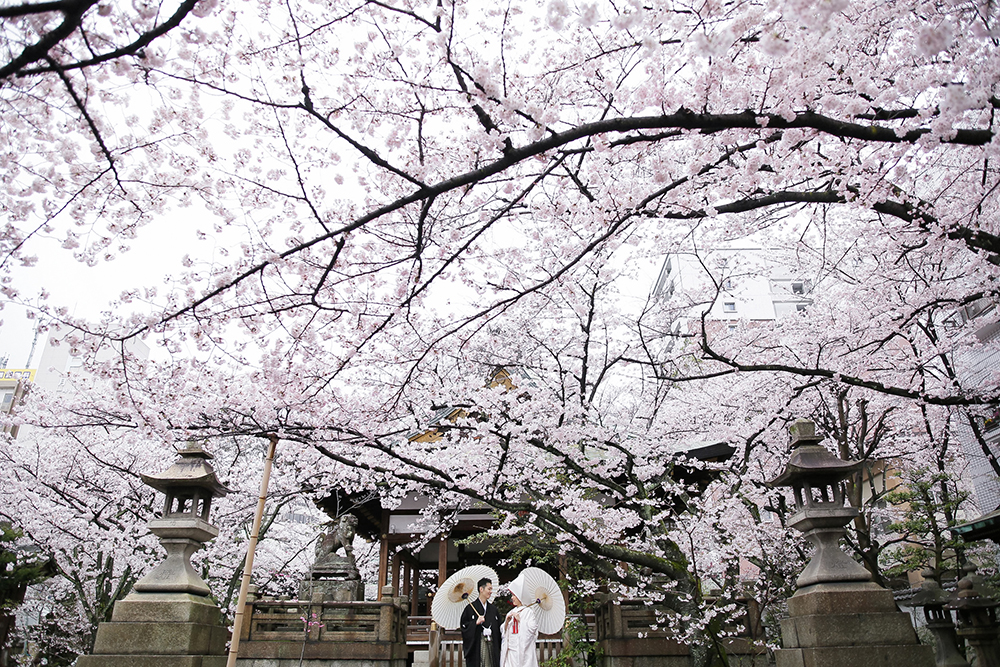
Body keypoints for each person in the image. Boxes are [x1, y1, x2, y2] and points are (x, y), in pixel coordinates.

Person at [460, 577, 502, 667]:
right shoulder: (470, 608)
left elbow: (499, 627)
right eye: (489, 589)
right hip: (478, 645)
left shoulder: (493, 609)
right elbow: (464, 627)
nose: (491, 591)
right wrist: (475, 623)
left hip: (491, 643)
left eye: (491, 589)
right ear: (481, 589)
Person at [500, 572, 539, 667]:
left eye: (514, 595)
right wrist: (506, 623)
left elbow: (533, 630)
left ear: (520, 596)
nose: (512, 598)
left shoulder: (528, 612)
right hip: (511, 651)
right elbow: (504, 632)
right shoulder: (511, 612)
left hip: (523, 651)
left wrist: (521, 620)